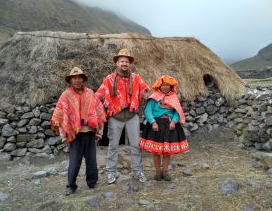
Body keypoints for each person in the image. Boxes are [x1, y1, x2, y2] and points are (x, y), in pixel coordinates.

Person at [96, 48, 149, 184]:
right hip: (115, 116)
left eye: (126, 61)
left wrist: (145, 93)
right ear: (117, 63)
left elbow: (144, 89)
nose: (124, 63)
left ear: (129, 63)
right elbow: (100, 93)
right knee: (113, 145)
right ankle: (111, 172)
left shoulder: (136, 78)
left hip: (132, 116)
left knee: (135, 145)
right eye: (121, 61)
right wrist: (92, 101)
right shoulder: (109, 79)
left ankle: (138, 171)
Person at [51, 66, 106, 195]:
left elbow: (99, 113)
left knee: (92, 160)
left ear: (83, 79)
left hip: (90, 132)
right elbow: (60, 116)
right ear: (70, 80)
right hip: (74, 134)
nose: (77, 80)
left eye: (79, 78)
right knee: (75, 161)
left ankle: (92, 182)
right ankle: (71, 186)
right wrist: (64, 137)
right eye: (74, 78)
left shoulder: (90, 94)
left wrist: (99, 132)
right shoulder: (66, 96)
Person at [140, 75, 188, 181]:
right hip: (156, 125)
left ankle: (165, 172)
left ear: (171, 86)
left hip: (169, 125)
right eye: (163, 85)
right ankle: (158, 173)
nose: (165, 87)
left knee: (167, 152)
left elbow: (177, 111)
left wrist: (174, 122)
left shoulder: (173, 97)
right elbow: (148, 111)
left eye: (167, 85)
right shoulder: (154, 97)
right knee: (156, 151)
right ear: (159, 86)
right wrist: (153, 122)